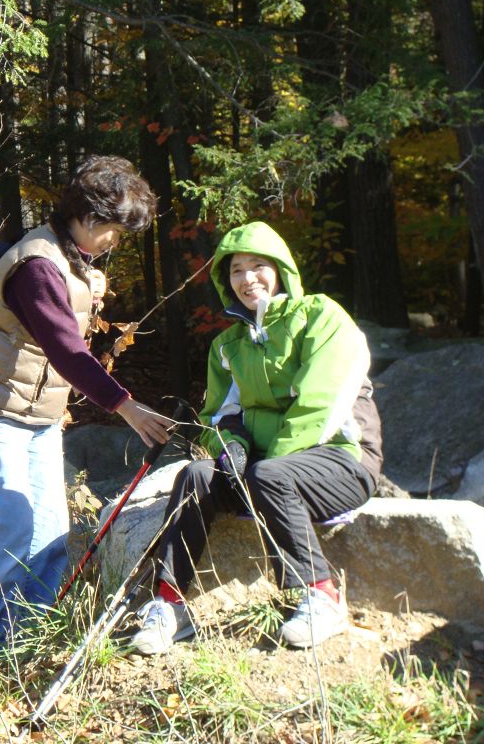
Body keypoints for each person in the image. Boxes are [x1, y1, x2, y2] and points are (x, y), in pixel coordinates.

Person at [0, 155, 172, 655]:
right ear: (90, 218)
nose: (116, 241)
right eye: (115, 230)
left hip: (39, 417)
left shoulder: (72, 259)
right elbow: (68, 351)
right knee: (12, 529)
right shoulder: (38, 266)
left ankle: (26, 641)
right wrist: (127, 408)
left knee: (50, 532)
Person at [130, 220, 382, 654]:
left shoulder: (322, 317)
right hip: (267, 471)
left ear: (281, 268)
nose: (248, 279)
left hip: (341, 460)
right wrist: (232, 451)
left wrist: (259, 472)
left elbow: (322, 406)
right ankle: (169, 604)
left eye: (258, 266)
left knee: (271, 475)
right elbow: (219, 417)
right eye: (236, 271)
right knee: (195, 475)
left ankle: (321, 594)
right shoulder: (229, 345)